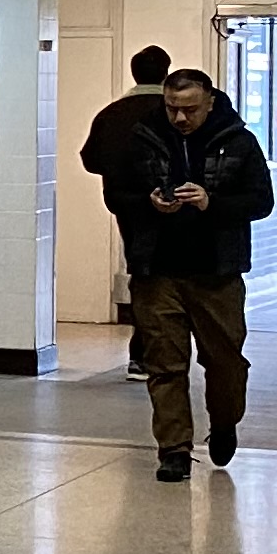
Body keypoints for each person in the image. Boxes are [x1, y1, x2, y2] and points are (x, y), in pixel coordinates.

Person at [125, 66, 273, 480]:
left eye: (190, 109)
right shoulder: (143, 138)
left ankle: (224, 423)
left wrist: (212, 203)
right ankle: (173, 449)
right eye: (173, 108)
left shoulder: (239, 141)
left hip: (217, 272)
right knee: (165, 365)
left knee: (225, 363)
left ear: (210, 102)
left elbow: (262, 201)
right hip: (158, 270)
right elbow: (116, 194)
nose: (180, 118)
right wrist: (149, 202)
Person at [77, 45, 177, 380]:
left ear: (133, 73)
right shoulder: (174, 112)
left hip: (127, 207)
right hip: (175, 207)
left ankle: (142, 355)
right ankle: (155, 352)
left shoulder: (111, 113)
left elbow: (90, 160)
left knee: (143, 274)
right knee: (172, 277)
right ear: (166, 72)